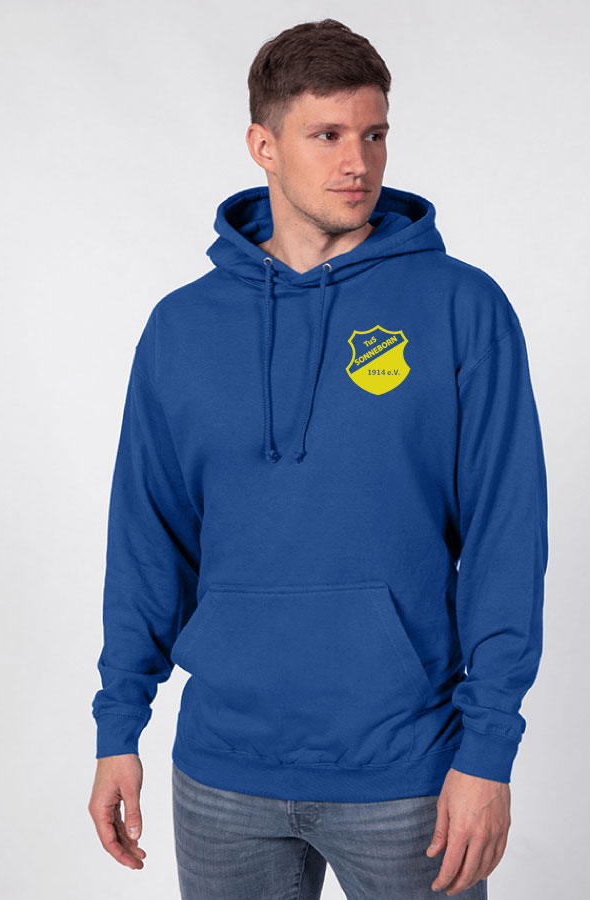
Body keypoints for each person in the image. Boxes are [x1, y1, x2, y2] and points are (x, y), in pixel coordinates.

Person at [87, 17, 548, 899]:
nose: (357, 162)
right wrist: (119, 726)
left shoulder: (461, 307)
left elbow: (505, 536)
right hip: (221, 770)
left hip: (409, 771)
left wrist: (488, 750)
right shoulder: (182, 327)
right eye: (327, 135)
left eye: (374, 134)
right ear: (263, 146)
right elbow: (147, 538)